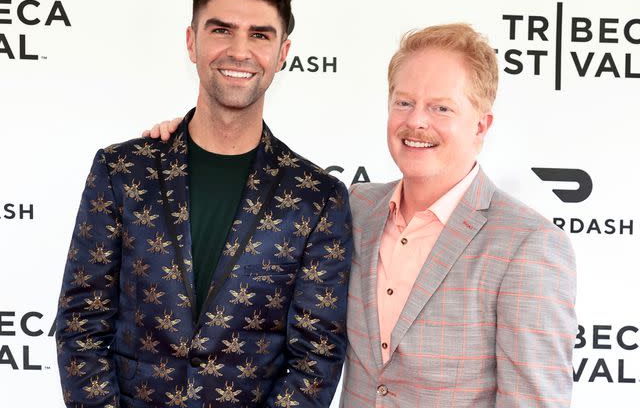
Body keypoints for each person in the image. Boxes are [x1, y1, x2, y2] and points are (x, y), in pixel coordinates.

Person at [147, 23, 577, 407]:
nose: (417, 122)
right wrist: (188, 140)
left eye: (442, 108)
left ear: (481, 126)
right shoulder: (354, 208)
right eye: (404, 102)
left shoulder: (527, 244)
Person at [55, 0, 352, 408]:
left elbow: (315, 358)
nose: (239, 51)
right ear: (192, 41)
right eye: (221, 30)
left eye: (259, 34)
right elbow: (81, 323)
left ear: (282, 53)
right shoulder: (122, 170)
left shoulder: (315, 198)